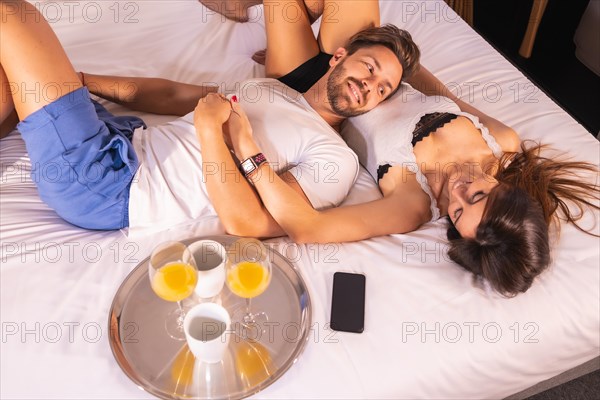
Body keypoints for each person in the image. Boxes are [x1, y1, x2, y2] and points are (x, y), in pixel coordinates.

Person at [0, 0, 420, 234]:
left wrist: (210, 133)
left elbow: (249, 220)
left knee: (12, 16)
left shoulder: (337, 160)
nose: (370, 86)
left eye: (382, 89)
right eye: (369, 68)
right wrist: (84, 80)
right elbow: (172, 94)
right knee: (10, 80)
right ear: (339, 57)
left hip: (110, 186)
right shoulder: (271, 89)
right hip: (125, 139)